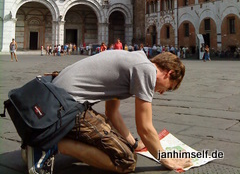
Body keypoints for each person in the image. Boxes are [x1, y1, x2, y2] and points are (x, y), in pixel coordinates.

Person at [27, 51, 192, 174]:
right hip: (67, 108)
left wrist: (133, 144)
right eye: (168, 87)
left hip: (54, 104)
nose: (162, 92)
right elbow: (145, 128)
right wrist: (166, 160)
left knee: (121, 148)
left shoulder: (134, 60)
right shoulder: (147, 71)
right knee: (126, 161)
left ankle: (50, 138)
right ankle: (49, 144)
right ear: (168, 73)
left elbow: (112, 112)